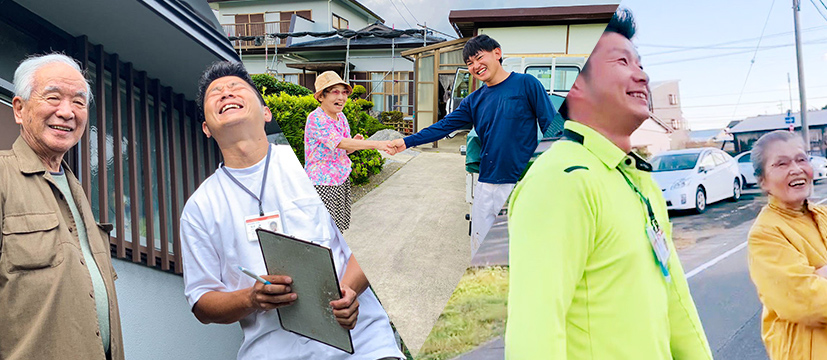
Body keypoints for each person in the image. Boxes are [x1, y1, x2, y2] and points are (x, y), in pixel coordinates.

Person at [505, 9, 712, 359]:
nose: (642, 75)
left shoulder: (637, 181)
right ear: (575, 84)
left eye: (641, 64)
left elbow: (677, 303)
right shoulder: (562, 179)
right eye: (622, 62)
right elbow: (534, 332)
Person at [179, 61, 403, 360]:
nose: (225, 93)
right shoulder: (200, 207)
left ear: (266, 112)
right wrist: (251, 297)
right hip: (273, 351)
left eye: (236, 87)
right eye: (215, 93)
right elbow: (202, 301)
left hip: (362, 344)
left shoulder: (302, 167)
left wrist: (347, 290)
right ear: (207, 127)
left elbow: (364, 246)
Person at [0, 53, 124, 359]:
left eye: (79, 103)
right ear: (19, 109)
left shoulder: (77, 190)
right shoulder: (3, 176)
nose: (67, 112)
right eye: (53, 97)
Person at [387, 34, 555, 255]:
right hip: (486, 184)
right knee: (483, 250)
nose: (475, 66)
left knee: (523, 251)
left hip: (520, 182)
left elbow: (553, 129)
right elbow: (443, 126)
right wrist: (406, 141)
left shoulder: (526, 84)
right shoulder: (473, 100)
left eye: (478, 58)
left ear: (497, 53)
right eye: (469, 63)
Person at [747, 130, 827, 359]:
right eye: (781, 164)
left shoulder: (822, 215)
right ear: (763, 180)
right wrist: (814, 280)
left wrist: (820, 275)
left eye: (801, 159)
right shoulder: (766, 233)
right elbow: (807, 301)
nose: (796, 168)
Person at [305, 71, 391, 233]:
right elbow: (341, 142)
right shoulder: (316, 118)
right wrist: (378, 144)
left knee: (338, 228)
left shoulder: (341, 117)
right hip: (322, 183)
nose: (342, 97)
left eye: (344, 92)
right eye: (335, 92)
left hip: (340, 179)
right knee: (324, 231)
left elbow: (345, 148)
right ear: (321, 97)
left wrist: (355, 144)